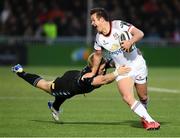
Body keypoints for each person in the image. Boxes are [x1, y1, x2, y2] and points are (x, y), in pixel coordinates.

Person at [86, 7, 160, 130]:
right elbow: (98, 55)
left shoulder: (118, 25)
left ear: (102, 19)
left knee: (143, 97)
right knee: (127, 97)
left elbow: (140, 33)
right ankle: (150, 121)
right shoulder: (99, 38)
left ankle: (144, 114)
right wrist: (93, 72)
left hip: (138, 64)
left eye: (93, 20)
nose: (92, 23)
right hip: (123, 69)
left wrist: (130, 42)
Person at [11, 53, 131, 122]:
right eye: (102, 67)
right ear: (94, 66)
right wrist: (117, 73)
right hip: (66, 84)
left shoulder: (100, 67)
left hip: (73, 76)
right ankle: (20, 72)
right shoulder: (88, 77)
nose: (104, 69)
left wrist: (130, 60)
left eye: (104, 66)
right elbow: (105, 80)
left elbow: (114, 63)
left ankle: (54, 107)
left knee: (68, 95)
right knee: (46, 85)